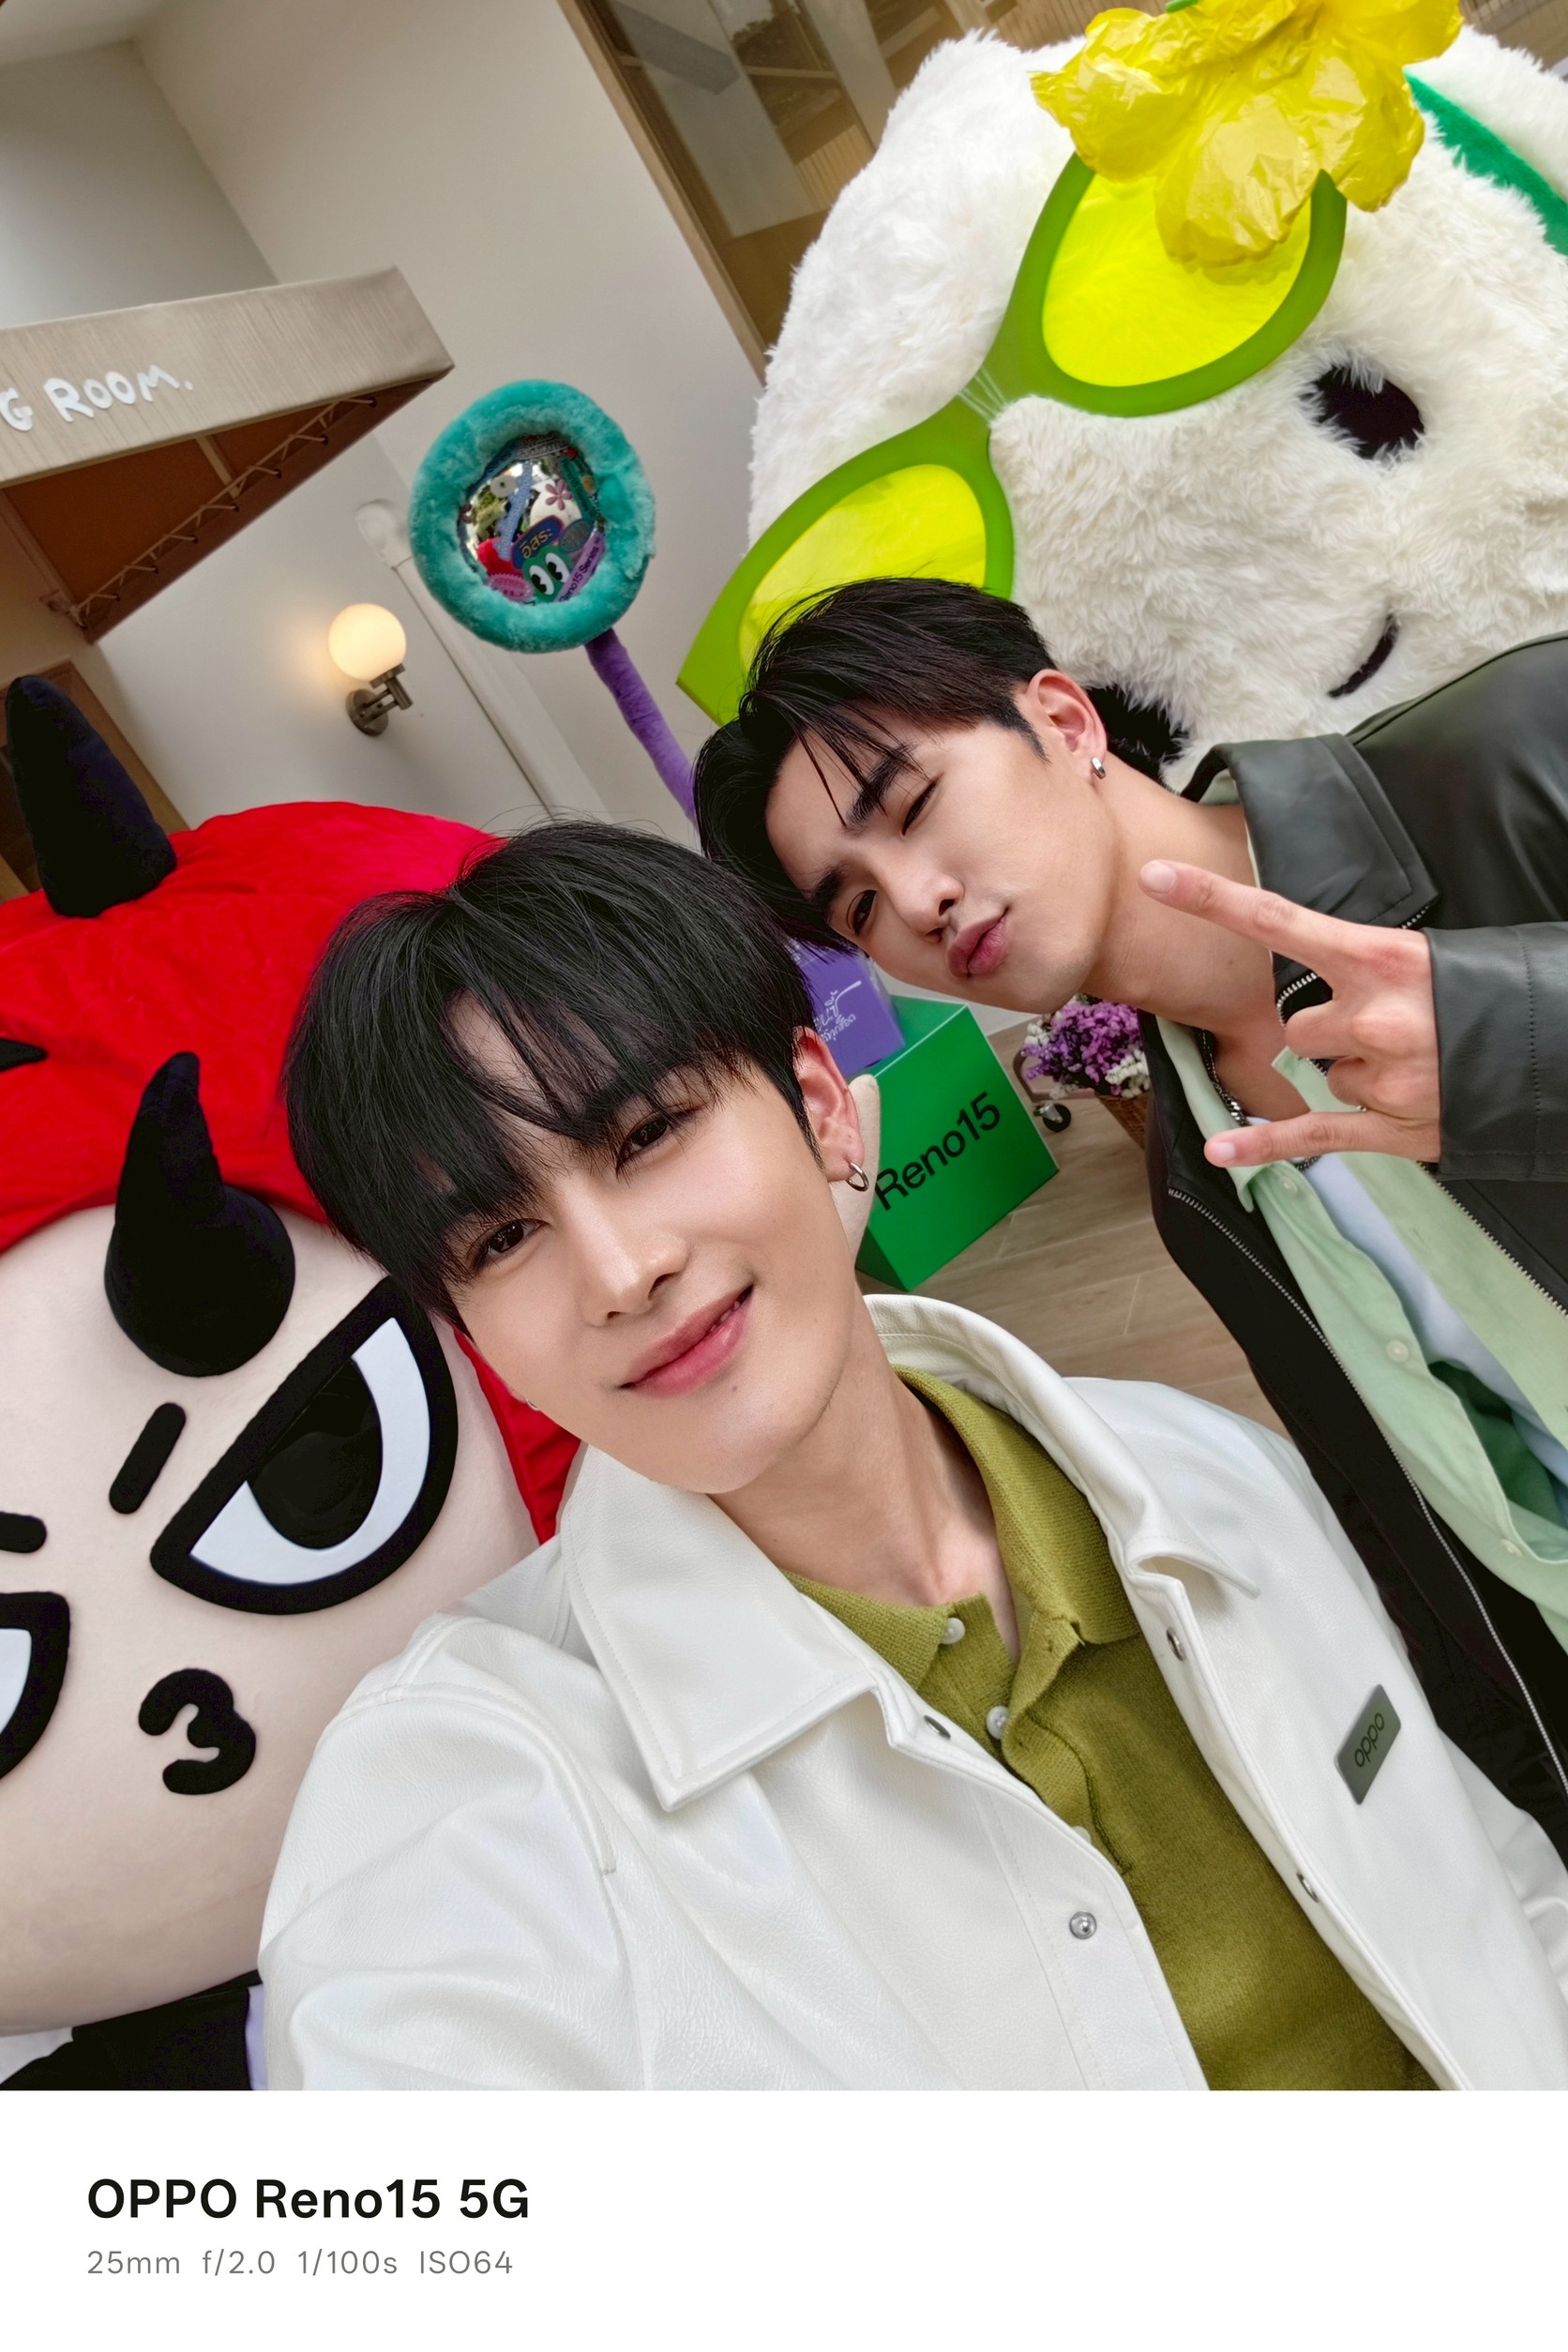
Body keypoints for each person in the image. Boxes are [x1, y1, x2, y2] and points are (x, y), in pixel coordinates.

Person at [263, 820, 1568, 2089]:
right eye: (500, 1240)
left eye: (647, 1134)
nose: (620, 1272)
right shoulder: (458, 1801)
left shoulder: (1207, 1472)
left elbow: (1493, 1892)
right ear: (469, 1335)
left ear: (822, 1106)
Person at [693, 578, 1568, 1861]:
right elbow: (1443, 1556)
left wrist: (1510, 1042)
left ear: (1063, 720)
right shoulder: (1196, 1183)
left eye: (916, 806)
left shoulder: (1522, 751)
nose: (917, 904)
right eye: (859, 906)